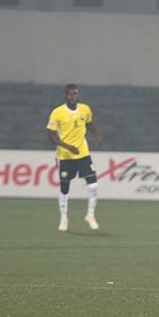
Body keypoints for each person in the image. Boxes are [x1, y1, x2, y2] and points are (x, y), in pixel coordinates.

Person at [46, 84, 103, 232]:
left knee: (93, 184)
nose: (74, 96)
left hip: (82, 153)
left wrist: (96, 133)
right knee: (65, 188)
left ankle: (90, 215)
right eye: (71, 94)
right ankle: (64, 218)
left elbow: (88, 123)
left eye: (76, 93)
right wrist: (67, 146)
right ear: (65, 96)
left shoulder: (85, 109)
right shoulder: (57, 113)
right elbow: (51, 136)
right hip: (65, 156)